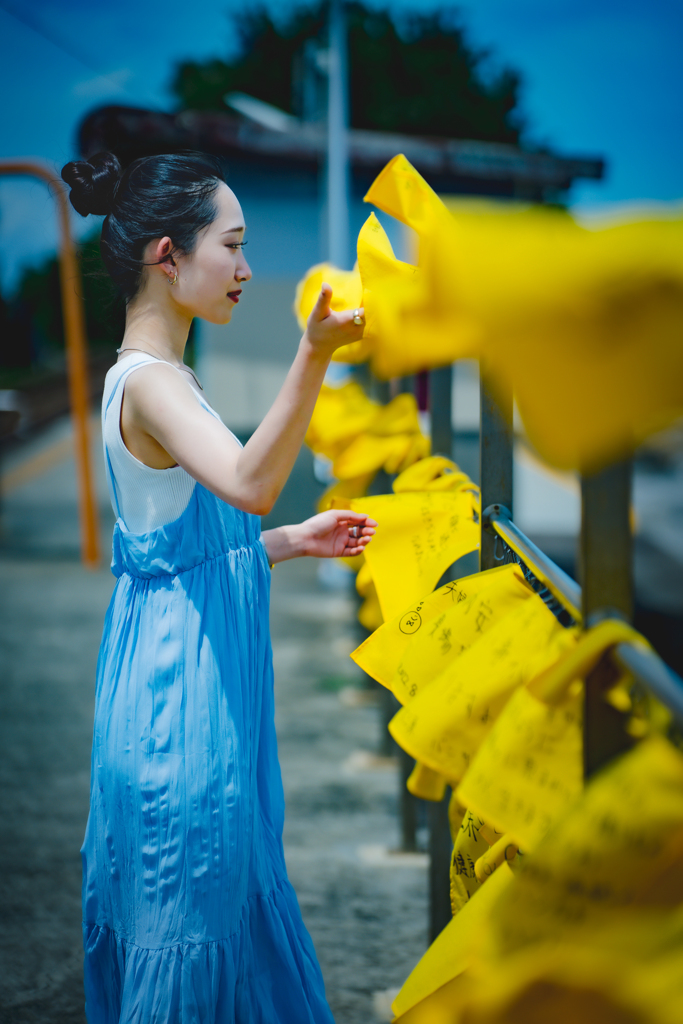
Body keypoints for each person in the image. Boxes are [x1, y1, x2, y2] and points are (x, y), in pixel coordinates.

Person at [61, 150, 376, 1024]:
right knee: (193, 918)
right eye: (231, 247)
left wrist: (281, 543)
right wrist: (313, 351)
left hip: (179, 689)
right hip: (181, 708)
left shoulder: (154, 380)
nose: (244, 270)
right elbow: (247, 482)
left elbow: (175, 548)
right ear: (169, 255)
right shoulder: (155, 384)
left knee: (208, 910)